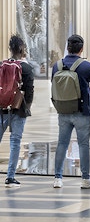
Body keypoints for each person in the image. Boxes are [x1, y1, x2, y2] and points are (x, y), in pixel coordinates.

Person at [52, 34, 90, 189]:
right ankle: (86, 179)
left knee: (62, 143)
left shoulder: (57, 65)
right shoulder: (85, 66)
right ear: (81, 48)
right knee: (83, 145)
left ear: (67, 48)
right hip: (82, 111)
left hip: (63, 110)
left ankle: (57, 178)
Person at [1, 35, 34, 187]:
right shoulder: (26, 68)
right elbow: (30, 91)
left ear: (10, 48)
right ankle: (10, 177)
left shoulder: (1, 65)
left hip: (1, 108)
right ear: (22, 49)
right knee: (15, 142)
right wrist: (27, 107)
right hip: (18, 109)